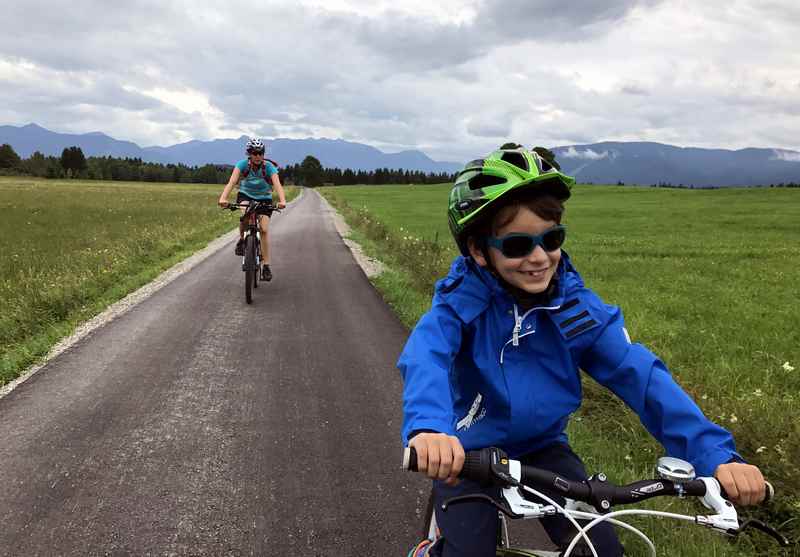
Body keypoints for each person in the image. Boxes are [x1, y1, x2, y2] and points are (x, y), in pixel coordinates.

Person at [399, 147, 766, 556]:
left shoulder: (574, 310)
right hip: (467, 454)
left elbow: (641, 377)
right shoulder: (460, 305)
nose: (539, 258)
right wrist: (430, 429)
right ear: (478, 250)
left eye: (551, 239)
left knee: (601, 551)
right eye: (518, 245)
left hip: (543, 452)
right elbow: (425, 357)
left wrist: (716, 456)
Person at [218, 138, 287, 281]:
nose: (258, 156)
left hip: (264, 198)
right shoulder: (242, 165)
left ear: (263, 153)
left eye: (260, 153)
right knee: (245, 215)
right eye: (254, 153)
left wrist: (282, 200)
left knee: (264, 229)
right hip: (246, 195)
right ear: (249, 154)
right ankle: (242, 239)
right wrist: (223, 198)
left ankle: (266, 266)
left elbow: (277, 184)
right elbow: (232, 182)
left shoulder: (268, 167)